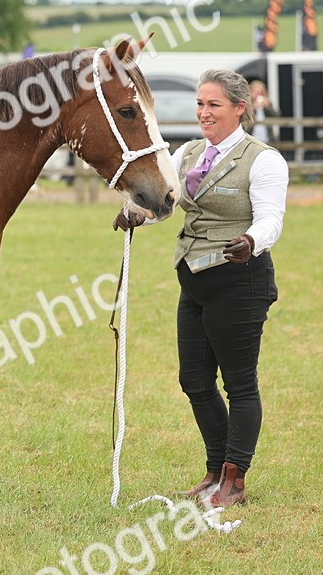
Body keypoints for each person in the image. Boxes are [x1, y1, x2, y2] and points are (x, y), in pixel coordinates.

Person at [113, 69, 289, 509]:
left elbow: (270, 218)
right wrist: (139, 212)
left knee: (240, 384)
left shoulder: (263, 159)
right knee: (193, 380)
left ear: (238, 108)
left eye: (213, 104)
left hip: (239, 280)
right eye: (200, 104)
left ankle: (235, 478)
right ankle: (214, 470)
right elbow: (165, 202)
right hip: (192, 279)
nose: (203, 112)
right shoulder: (188, 152)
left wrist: (252, 240)